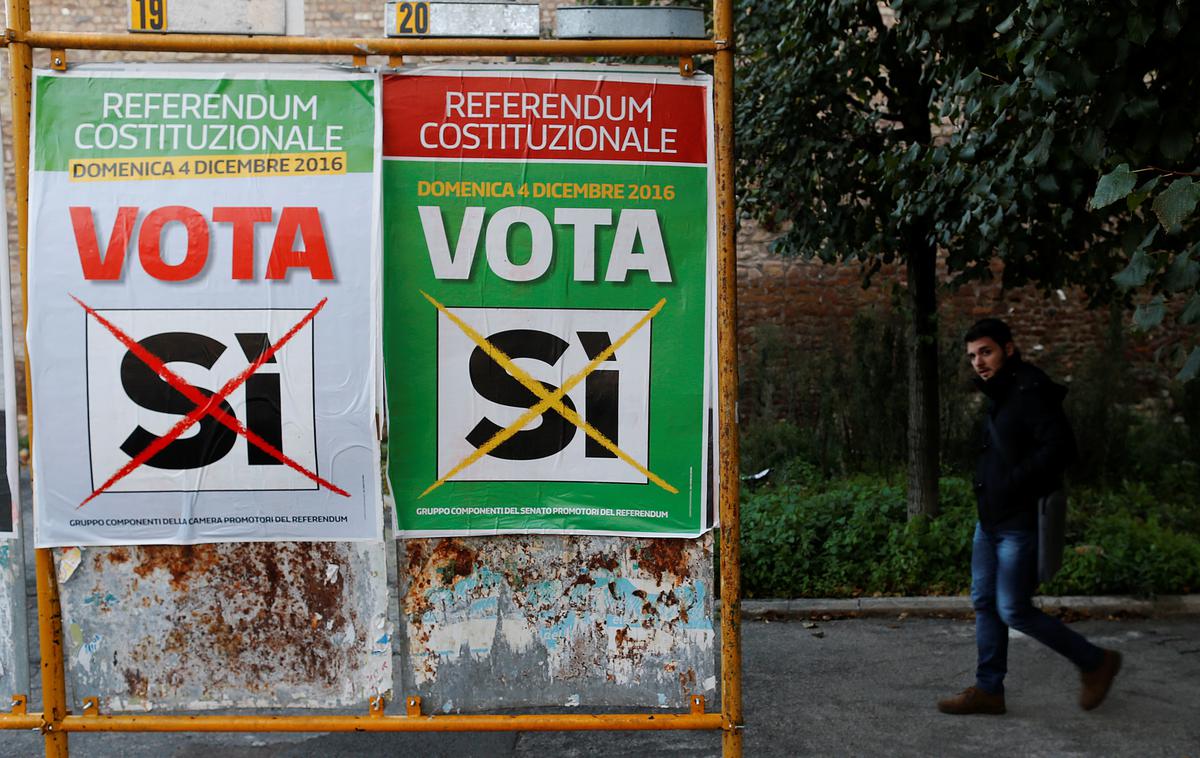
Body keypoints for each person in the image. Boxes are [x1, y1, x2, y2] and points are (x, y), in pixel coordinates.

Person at [938, 318, 1121, 715]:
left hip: (1018, 521)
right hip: (989, 521)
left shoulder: (1029, 388)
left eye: (986, 352)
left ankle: (1096, 661)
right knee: (985, 601)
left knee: (1013, 608)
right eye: (972, 356)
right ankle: (989, 690)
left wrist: (1012, 484)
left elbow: (1060, 449)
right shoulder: (1003, 392)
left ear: (1008, 347)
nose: (979, 362)